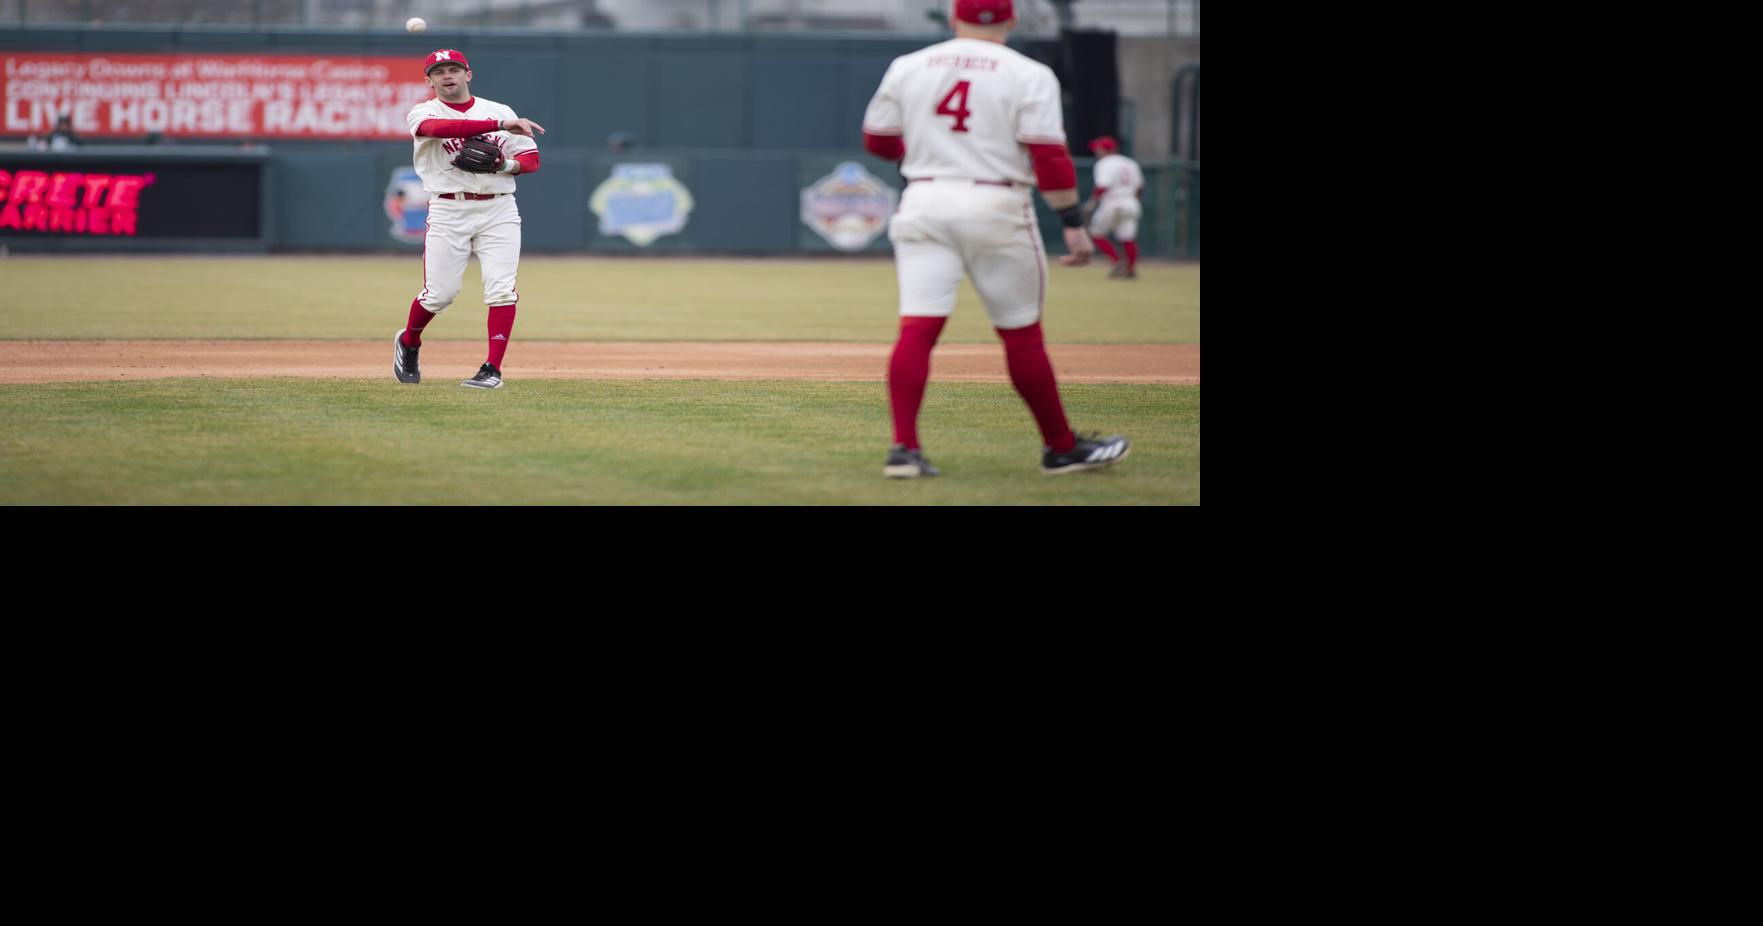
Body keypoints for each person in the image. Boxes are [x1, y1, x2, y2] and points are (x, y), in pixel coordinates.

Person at [861, 0, 1130, 477]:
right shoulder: (1028, 72)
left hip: (925, 199)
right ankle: (1060, 448)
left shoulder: (909, 65)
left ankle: (904, 449)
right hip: (996, 203)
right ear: (1011, 19)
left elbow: (878, 141)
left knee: (917, 330)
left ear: (952, 18)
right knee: (1021, 336)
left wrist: (928, 153)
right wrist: (1072, 221)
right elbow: (1049, 157)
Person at [393, 49, 545, 389]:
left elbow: (531, 160)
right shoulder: (424, 112)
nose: (447, 76)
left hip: (499, 208)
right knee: (439, 295)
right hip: (449, 209)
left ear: (468, 74)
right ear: (429, 80)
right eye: (439, 71)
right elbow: (438, 128)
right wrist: (499, 126)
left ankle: (492, 369)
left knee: (502, 290)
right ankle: (410, 341)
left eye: (454, 70)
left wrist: (502, 165)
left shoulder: (499, 109)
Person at [1084, 136, 1143, 279]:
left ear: (1105, 150)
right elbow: (1140, 187)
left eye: (1098, 149)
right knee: (1127, 238)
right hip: (1131, 201)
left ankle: (1117, 262)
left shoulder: (1104, 163)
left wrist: (1092, 202)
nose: (1096, 151)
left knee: (1096, 233)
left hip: (1112, 201)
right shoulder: (1130, 163)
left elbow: (1103, 185)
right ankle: (1130, 269)